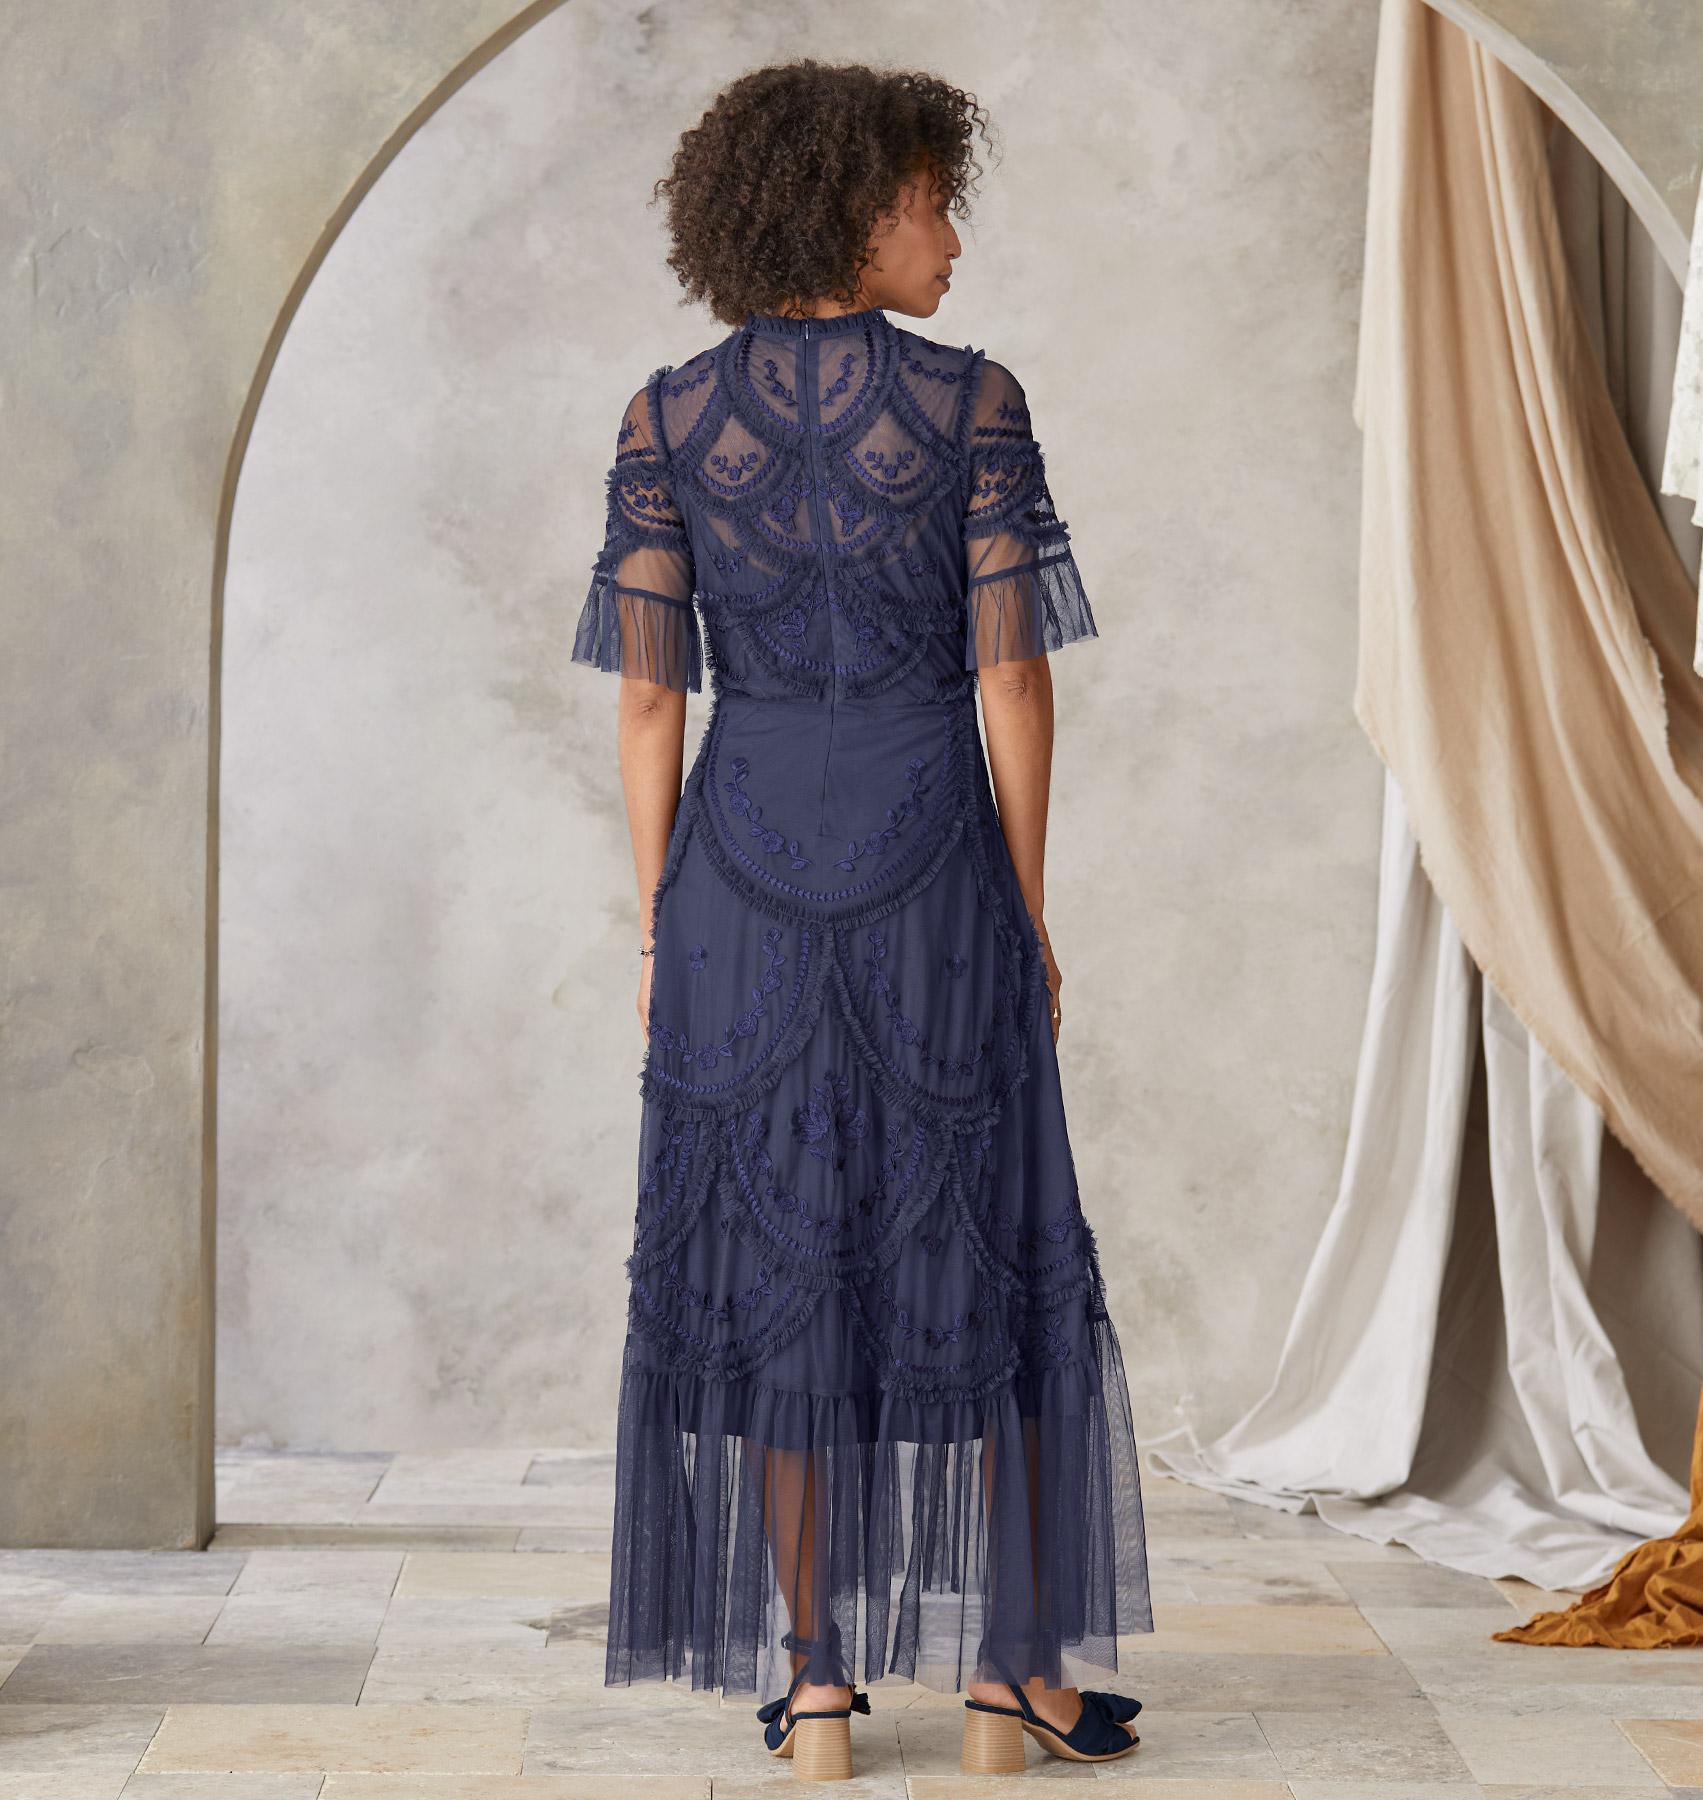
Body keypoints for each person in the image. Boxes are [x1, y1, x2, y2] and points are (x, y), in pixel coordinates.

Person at [571, 57, 1153, 1782]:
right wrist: (1028, 910)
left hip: (740, 873)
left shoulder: (667, 418)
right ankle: (1007, 1681)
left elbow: (652, 701)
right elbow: (1013, 682)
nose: (952, 236)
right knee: (993, 1244)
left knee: (781, 1273)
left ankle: (816, 1687)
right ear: (853, 211)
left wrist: (662, 924)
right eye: (930, 201)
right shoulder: (973, 405)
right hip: (933, 870)